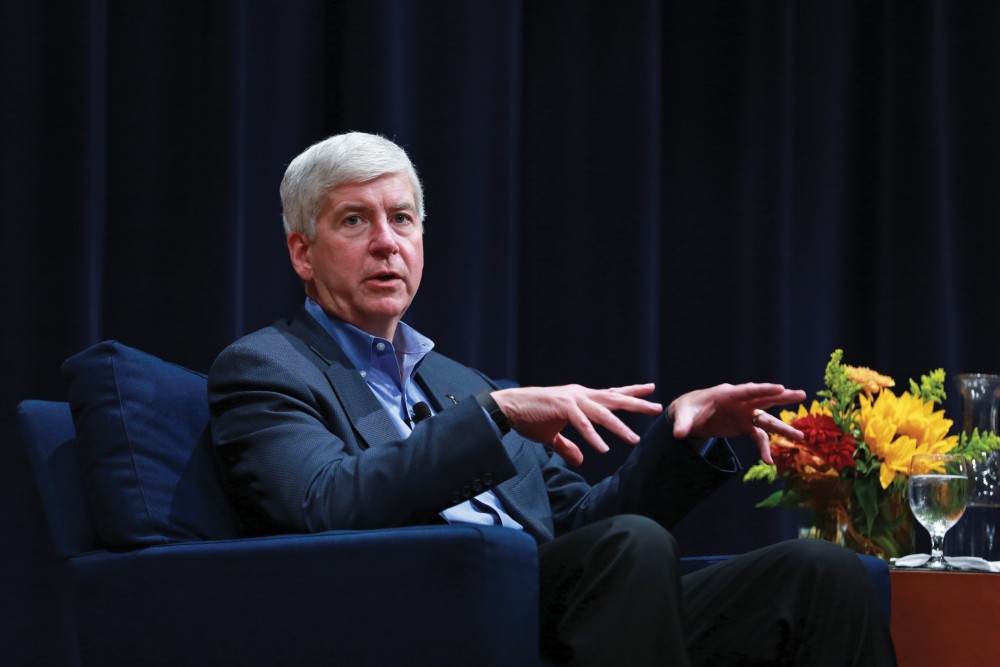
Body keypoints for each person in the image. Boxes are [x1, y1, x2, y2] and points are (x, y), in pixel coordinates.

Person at [208, 131, 896, 666]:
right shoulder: (267, 367)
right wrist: (496, 414)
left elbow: (586, 527)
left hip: (550, 605)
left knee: (820, 573)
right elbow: (325, 501)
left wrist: (683, 439)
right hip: (420, 612)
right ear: (302, 252)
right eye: (356, 221)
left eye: (403, 219)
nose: (387, 243)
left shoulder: (460, 384)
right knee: (628, 548)